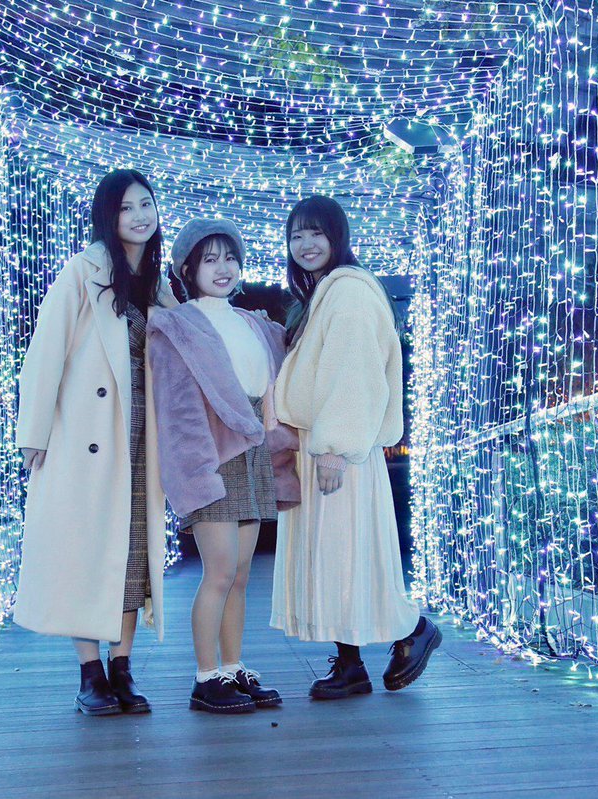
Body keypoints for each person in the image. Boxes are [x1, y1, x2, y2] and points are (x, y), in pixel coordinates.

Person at [13, 169, 177, 715]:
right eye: (126, 207)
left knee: (132, 554)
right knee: (84, 552)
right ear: (108, 216)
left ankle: (122, 667)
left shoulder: (157, 283)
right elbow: (46, 352)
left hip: (141, 439)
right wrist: (33, 433)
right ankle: (90, 674)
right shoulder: (82, 271)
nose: (139, 216)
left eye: (146, 204)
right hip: (85, 435)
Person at [270, 195, 442, 699]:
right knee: (335, 555)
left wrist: (335, 447)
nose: (305, 244)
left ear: (337, 237)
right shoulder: (326, 293)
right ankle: (350, 664)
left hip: (338, 449)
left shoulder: (348, 291)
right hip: (323, 445)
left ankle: (412, 630)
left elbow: (355, 373)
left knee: (345, 553)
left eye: (316, 233)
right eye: (296, 235)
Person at [148, 219, 298, 714]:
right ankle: (205, 676)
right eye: (209, 259)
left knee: (239, 575)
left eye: (230, 258)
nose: (223, 268)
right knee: (218, 573)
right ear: (187, 269)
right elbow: (177, 411)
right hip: (212, 458)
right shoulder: (177, 326)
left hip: (253, 455)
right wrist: (196, 474)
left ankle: (232, 668)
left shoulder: (255, 323)